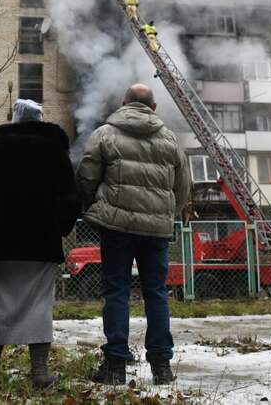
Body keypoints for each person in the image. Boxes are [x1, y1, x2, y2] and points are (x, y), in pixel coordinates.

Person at [76, 84, 191, 386]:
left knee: (116, 291)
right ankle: (162, 367)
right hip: (156, 232)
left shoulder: (104, 134)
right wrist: (166, 214)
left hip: (116, 227)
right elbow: (182, 189)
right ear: (154, 108)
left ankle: (115, 366)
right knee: (156, 294)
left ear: (123, 103)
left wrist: (95, 207)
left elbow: (86, 177)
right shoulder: (170, 140)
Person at [0, 99, 81, 389]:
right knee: (39, 305)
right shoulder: (56, 154)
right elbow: (70, 200)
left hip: (1, 243)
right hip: (42, 243)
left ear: (15, 121)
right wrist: (60, 228)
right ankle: (40, 373)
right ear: (40, 120)